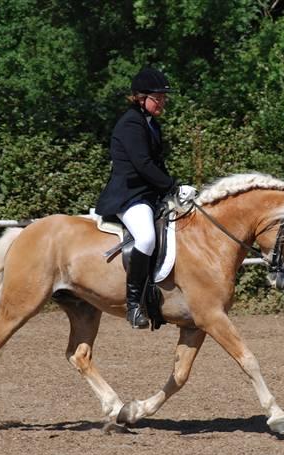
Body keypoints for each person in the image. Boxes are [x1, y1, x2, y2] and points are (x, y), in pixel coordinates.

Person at [95, 66, 195, 329]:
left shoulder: (151, 124)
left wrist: (177, 189)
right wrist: (172, 186)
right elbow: (142, 164)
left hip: (148, 194)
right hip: (128, 195)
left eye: (164, 97)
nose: (163, 101)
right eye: (158, 97)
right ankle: (133, 304)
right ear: (141, 97)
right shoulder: (130, 123)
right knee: (147, 238)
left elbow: (157, 164)